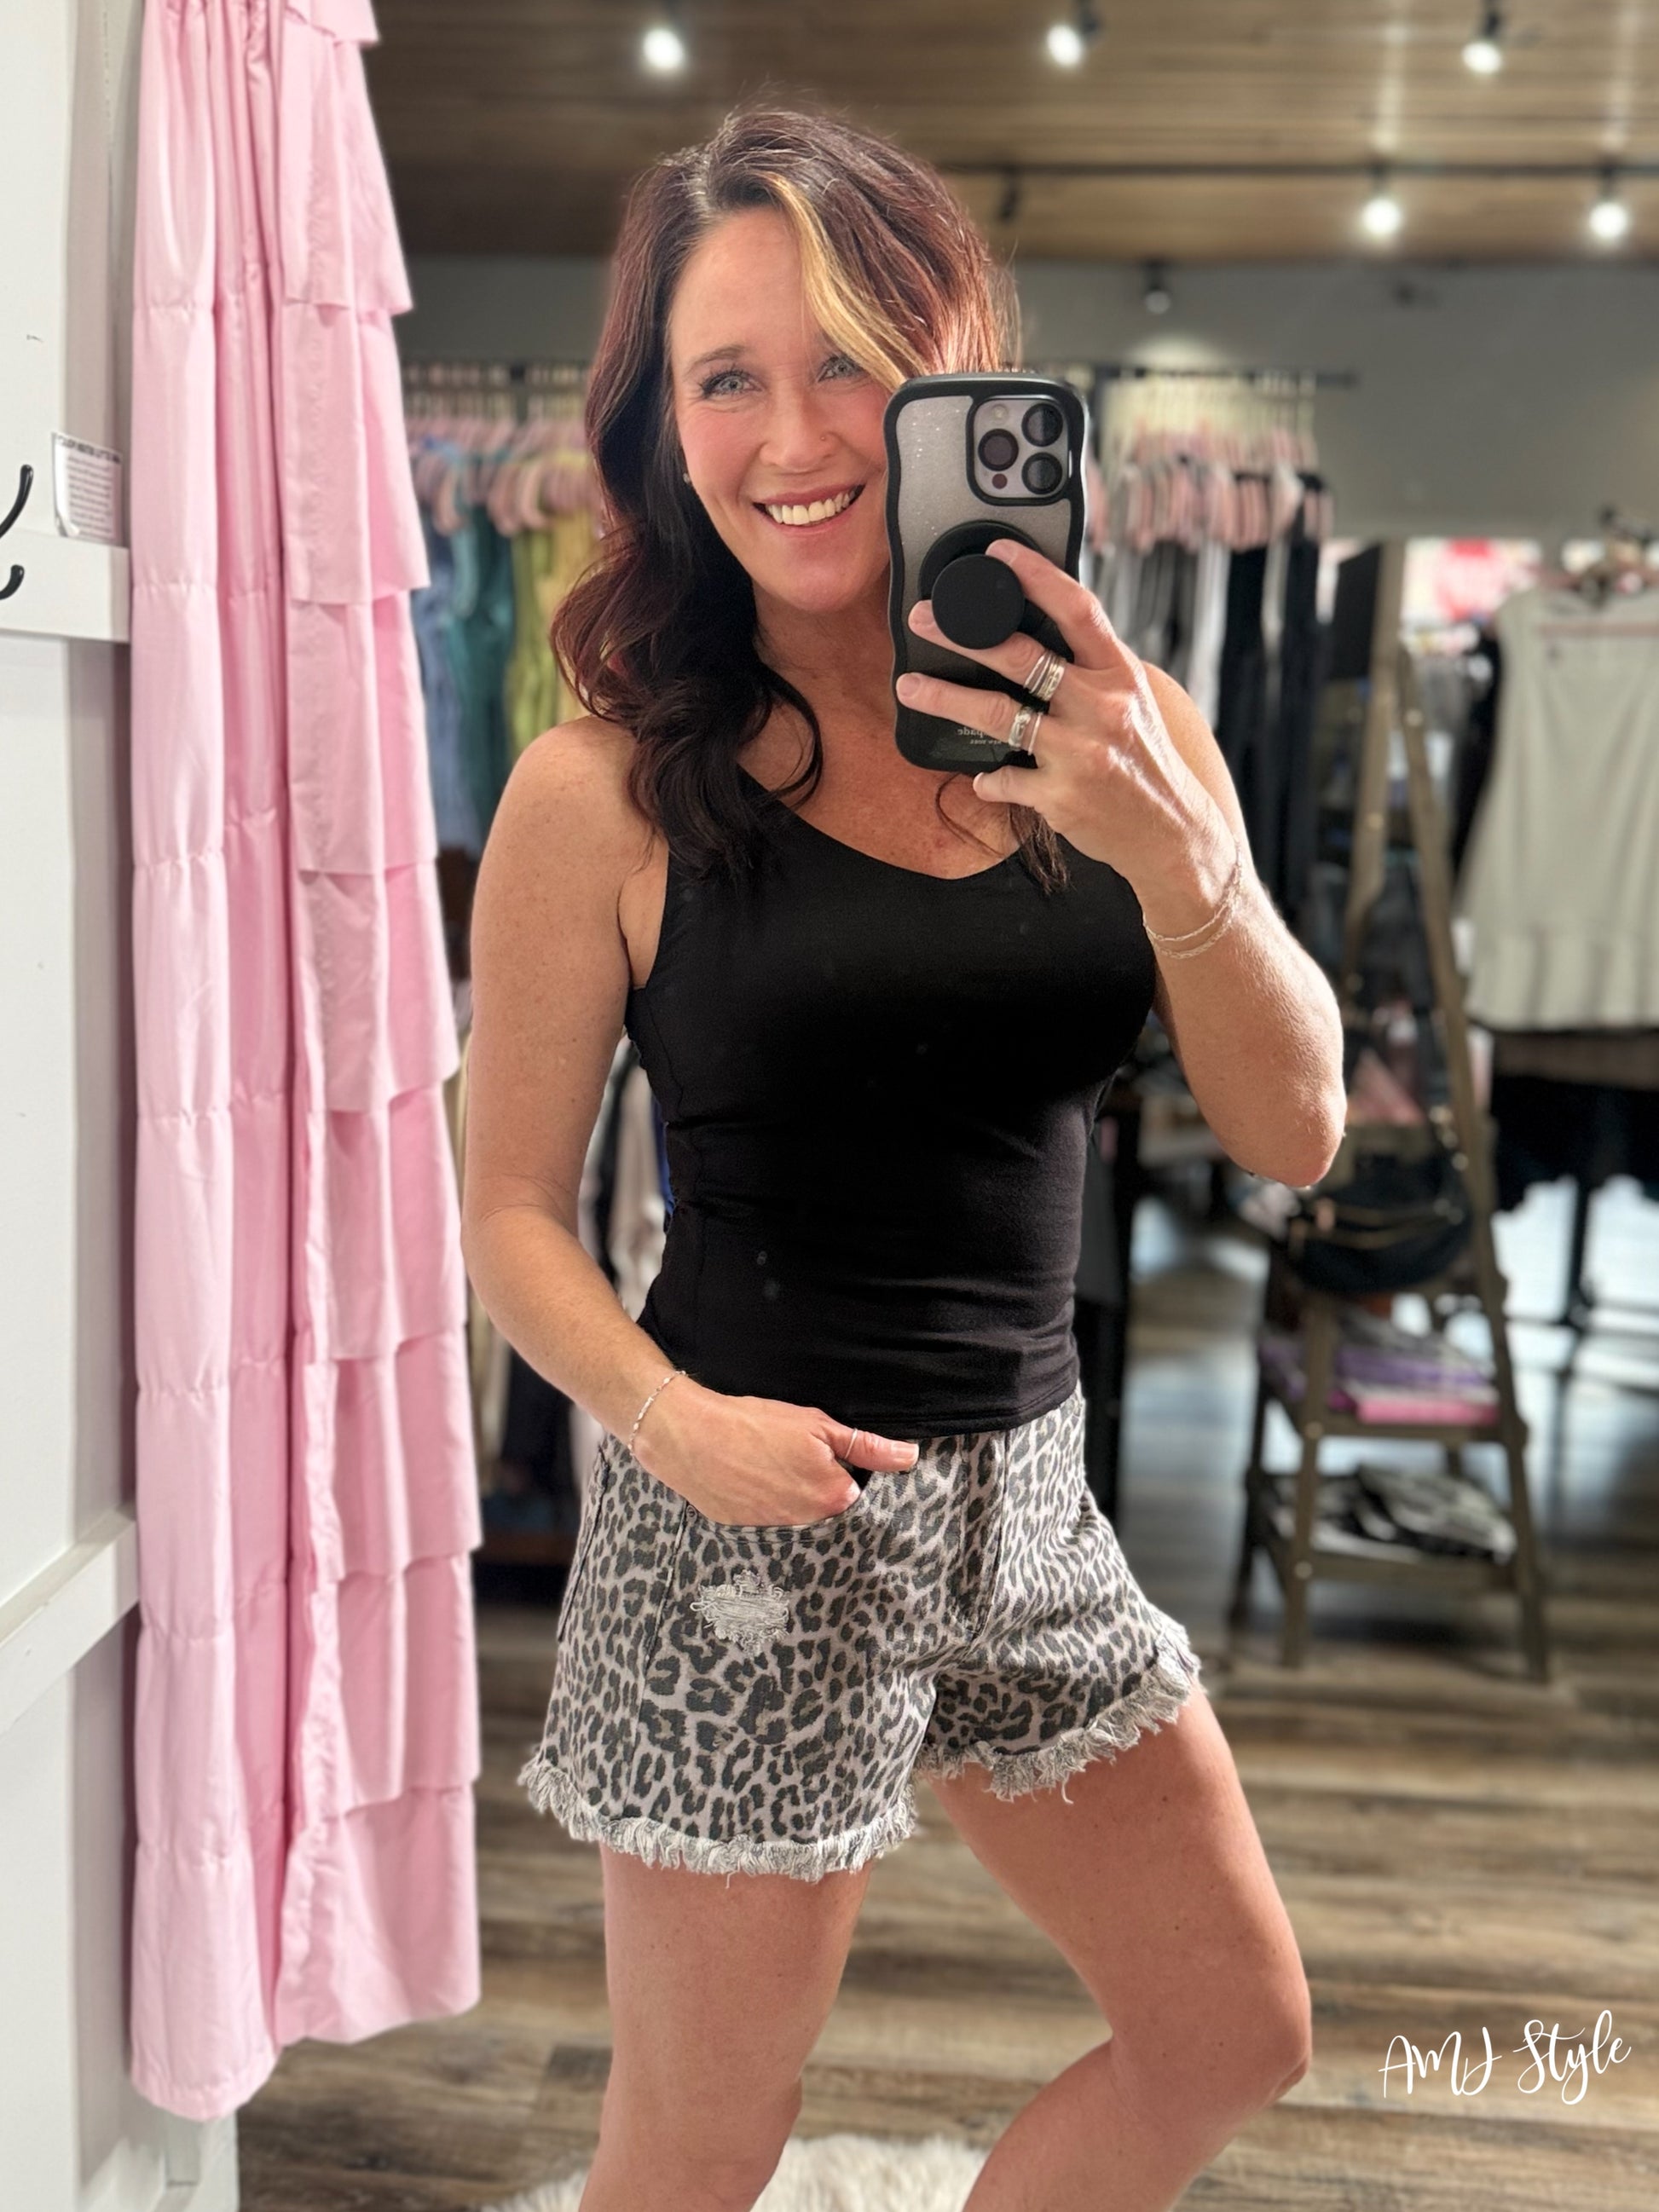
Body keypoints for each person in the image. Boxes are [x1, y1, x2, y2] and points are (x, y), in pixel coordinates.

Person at [461, 105, 1344, 2212]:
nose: (793, 435)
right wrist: (667, 1421)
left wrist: (1181, 860)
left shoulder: (1128, 740)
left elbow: (1294, 1126)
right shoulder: (604, 793)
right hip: (741, 1528)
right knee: (699, 2146)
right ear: (661, 433)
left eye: (846, 362)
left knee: (1230, 2026)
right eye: (725, 378)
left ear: (952, 370)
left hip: (1032, 1504)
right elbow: (503, 1211)